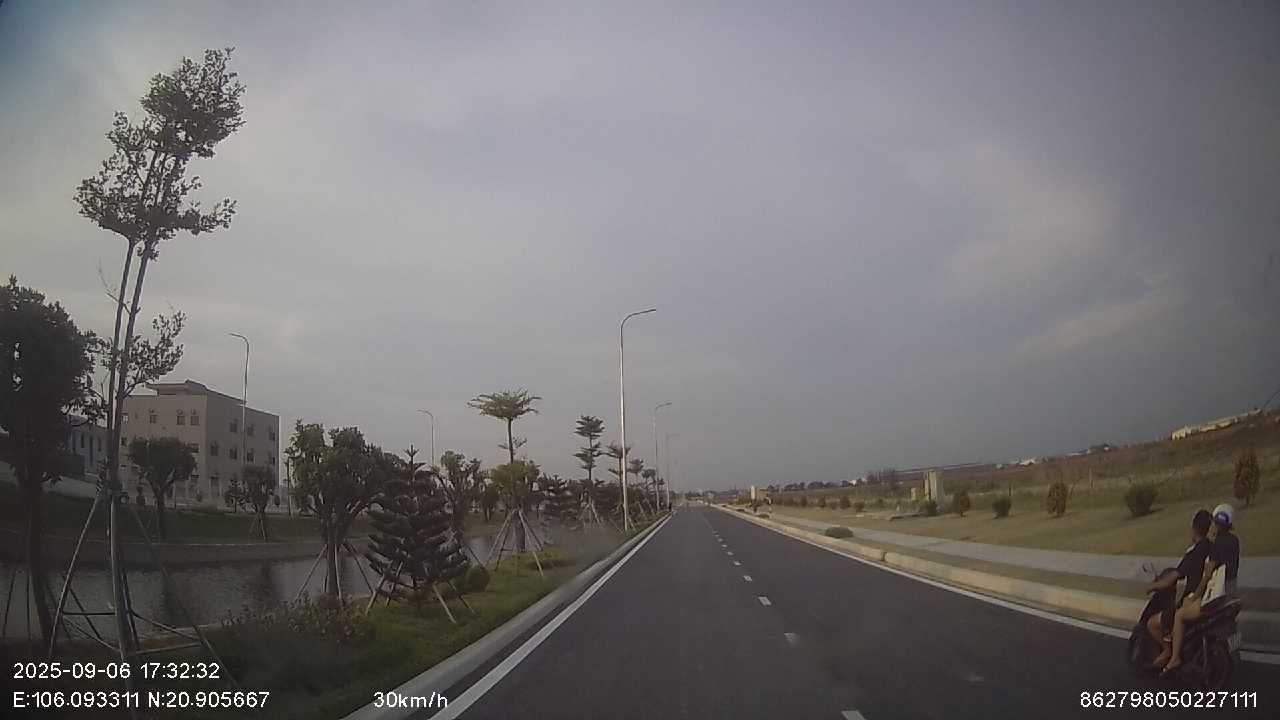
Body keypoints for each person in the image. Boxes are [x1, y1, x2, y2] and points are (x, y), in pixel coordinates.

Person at [1162, 504, 1240, 674]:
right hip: (1230, 594)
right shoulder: (1234, 541)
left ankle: (1174, 658)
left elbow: (1207, 575)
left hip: (1216, 597)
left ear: (1216, 522)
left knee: (1180, 615)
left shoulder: (1218, 544)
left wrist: (1194, 596)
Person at [1146, 509, 1213, 670]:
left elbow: (1174, 577)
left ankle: (1169, 652)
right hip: (1207, 596)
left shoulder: (1194, 553)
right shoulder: (1211, 547)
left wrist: (1154, 586)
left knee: (1152, 623)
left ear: (1194, 528)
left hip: (1192, 599)